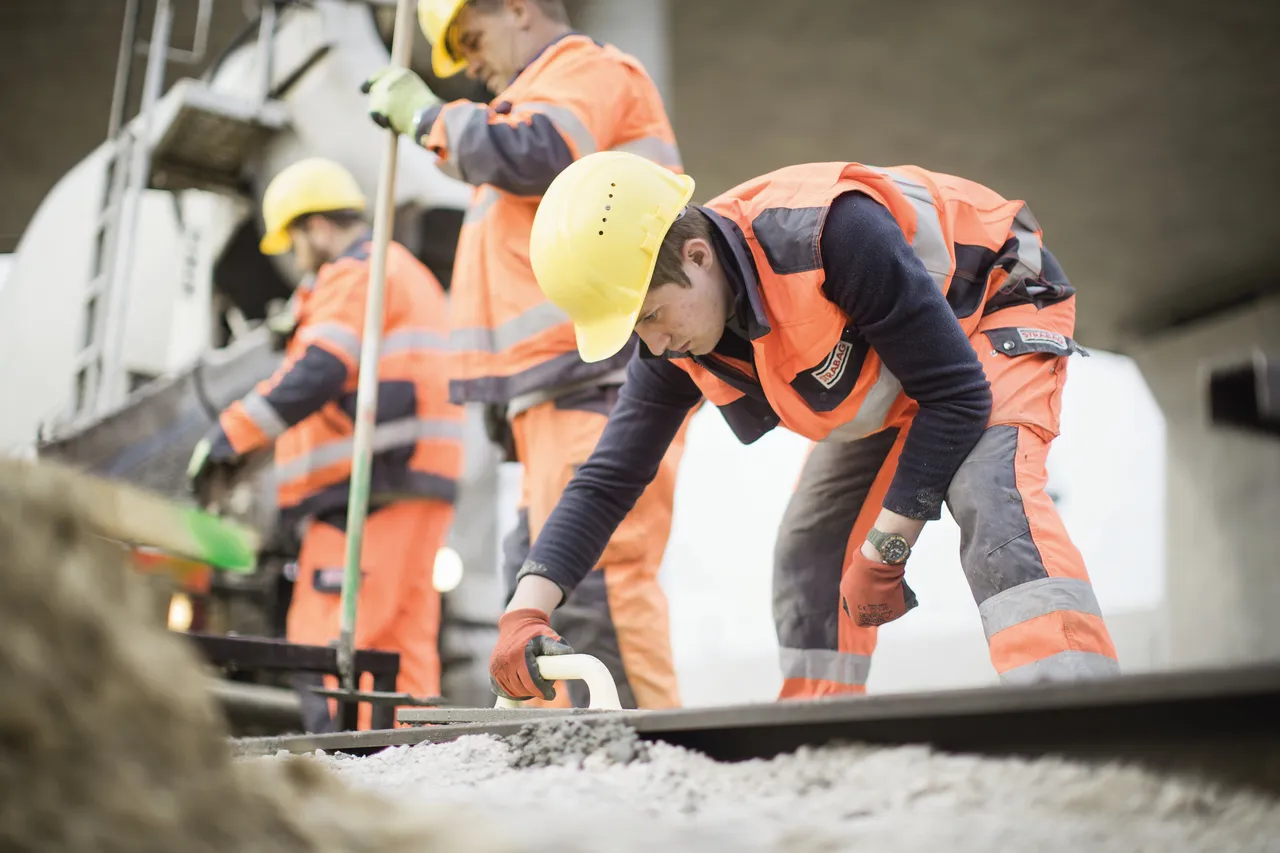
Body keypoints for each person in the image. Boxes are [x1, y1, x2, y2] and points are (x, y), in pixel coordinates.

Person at [489, 149, 1123, 703]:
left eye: (652, 315)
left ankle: (1070, 698)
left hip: (994, 298)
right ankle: (820, 730)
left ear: (698, 254)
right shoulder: (674, 344)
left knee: (989, 491)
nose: (654, 345)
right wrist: (525, 613)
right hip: (910, 363)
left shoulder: (832, 234)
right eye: (636, 331)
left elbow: (956, 396)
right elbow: (607, 479)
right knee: (812, 546)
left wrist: (888, 545)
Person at [359, 0, 690, 709]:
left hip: (598, 381)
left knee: (598, 580)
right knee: (536, 593)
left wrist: (428, 118)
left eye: (471, 38)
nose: (469, 64)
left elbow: (536, 153)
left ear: (517, 8)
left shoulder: (587, 72)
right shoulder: (529, 100)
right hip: (555, 393)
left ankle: (646, 757)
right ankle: (559, 760)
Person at [186, 157, 464, 730]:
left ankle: (343, 777)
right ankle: (411, 778)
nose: (294, 257)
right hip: (413, 484)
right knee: (400, 656)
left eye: (292, 241)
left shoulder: (354, 273)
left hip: (365, 495)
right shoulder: (400, 270)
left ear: (314, 226)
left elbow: (319, 369)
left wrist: (228, 439)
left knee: (325, 647)